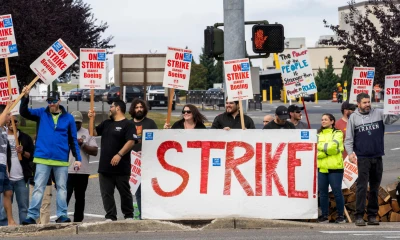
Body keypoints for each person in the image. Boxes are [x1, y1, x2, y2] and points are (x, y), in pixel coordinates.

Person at [20, 88, 82, 225]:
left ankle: (62, 215)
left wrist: (78, 159)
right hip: (42, 157)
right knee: (38, 188)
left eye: (54, 101)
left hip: (61, 159)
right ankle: (32, 216)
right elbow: (24, 112)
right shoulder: (41, 113)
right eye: (49, 101)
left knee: (62, 188)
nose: (51, 104)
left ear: (59, 101)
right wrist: (25, 97)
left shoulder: (69, 118)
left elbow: (73, 139)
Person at [345, 93, 400, 226]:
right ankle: (359, 215)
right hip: (363, 158)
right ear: (358, 104)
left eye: (368, 102)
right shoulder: (353, 117)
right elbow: (348, 138)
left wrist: (395, 107)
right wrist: (350, 153)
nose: (367, 104)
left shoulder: (379, 113)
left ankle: (372, 215)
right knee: (362, 187)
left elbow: (391, 119)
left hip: (377, 156)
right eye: (364, 102)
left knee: (375, 188)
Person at [88, 100, 136, 221]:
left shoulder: (128, 124)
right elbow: (92, 133)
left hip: (121, 167)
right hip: (105, 167)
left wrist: (119, 154)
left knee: (124, 193)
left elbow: (131, 141)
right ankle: (110, 216)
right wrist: (91, 119)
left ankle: (128, 215)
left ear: (118, 108)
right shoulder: (106, 123)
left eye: (112, 106)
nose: (110, 108)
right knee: (106, 194)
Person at [0, 118, 34, 225]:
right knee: (3, 208)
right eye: (9, 121)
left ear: (17, 123)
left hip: (21, 178)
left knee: (24, 207)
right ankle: (5, 226)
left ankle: (24, 228)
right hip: (7, 178)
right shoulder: (2, 136)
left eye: (14, 121)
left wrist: (22, 152)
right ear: (6, 122)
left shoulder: (25, 137)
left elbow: (31, 156)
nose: (12, 123)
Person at [66, 111, 98, 222]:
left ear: (81, 122)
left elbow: (94, 151)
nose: (76, 125)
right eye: (74, 123)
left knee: (80, 198)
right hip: (67, 170)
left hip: (82, 171)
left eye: (78, 123)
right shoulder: (65, 132)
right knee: (64, 196)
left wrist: (82, 144)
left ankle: (78, 220)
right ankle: (62, 217)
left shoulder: (87, 133)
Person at [129, 99, 158, 220]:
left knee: (151, 191)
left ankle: (152, 214)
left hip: (149, 162)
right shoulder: (128, 124)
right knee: (138, 191)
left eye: (141, 107)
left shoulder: (151, 123)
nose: (139, 109)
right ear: (133, 110)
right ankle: (142, 215)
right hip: (133, 163)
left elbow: (158, 141)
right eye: (136, 107)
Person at [316, 113, 345, 224]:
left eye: (326, 119)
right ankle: (324, 216)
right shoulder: (318, 134)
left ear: (332, 121)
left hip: (335, 167)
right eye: (322, 119)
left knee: (337, 192)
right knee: (323, 193)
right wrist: (326, 152)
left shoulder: (338, 133)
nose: (323, 121)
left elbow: (334, 147)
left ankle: (341, 216)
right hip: (322, 168)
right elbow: (315, 150)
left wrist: (322, 151)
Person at [0, 102, 16, 226]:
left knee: (8, 192)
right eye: (8, 115)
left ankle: (10, 221)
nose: (10, 117)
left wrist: (7, 168)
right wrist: (7, 107)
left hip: (3, 166)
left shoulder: (5, 129)